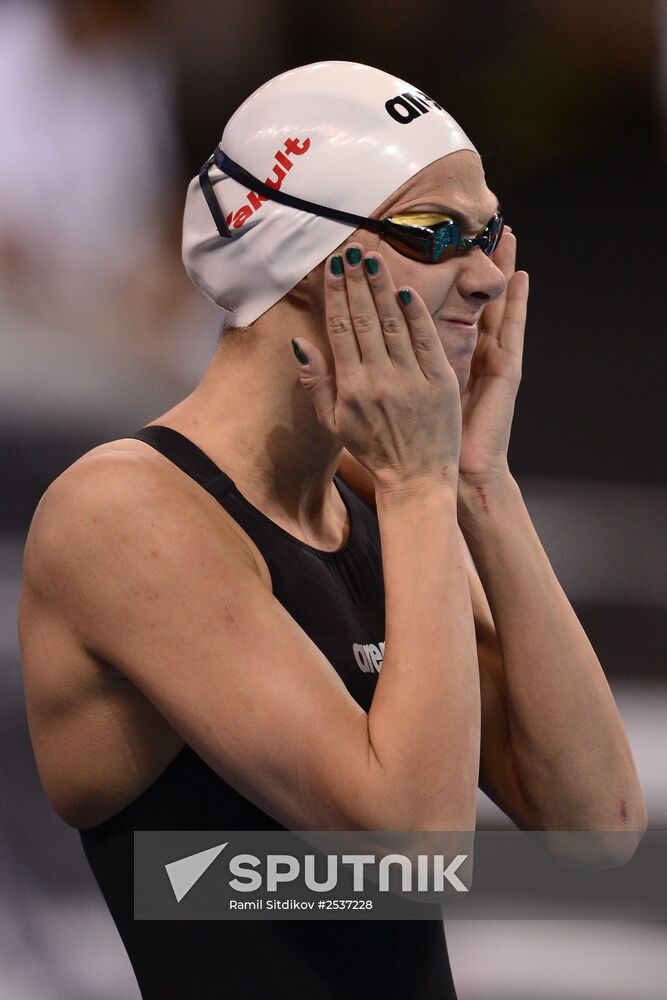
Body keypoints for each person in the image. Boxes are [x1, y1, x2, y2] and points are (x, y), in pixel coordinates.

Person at [18, 61, 646, 999]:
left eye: (489, 233)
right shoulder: (124, 514)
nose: (483, 276)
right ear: (309, 257)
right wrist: (424, 485)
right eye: (436, 234)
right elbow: (416, 847)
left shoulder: (382, 492)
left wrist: (480, 485)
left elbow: (598, 822)